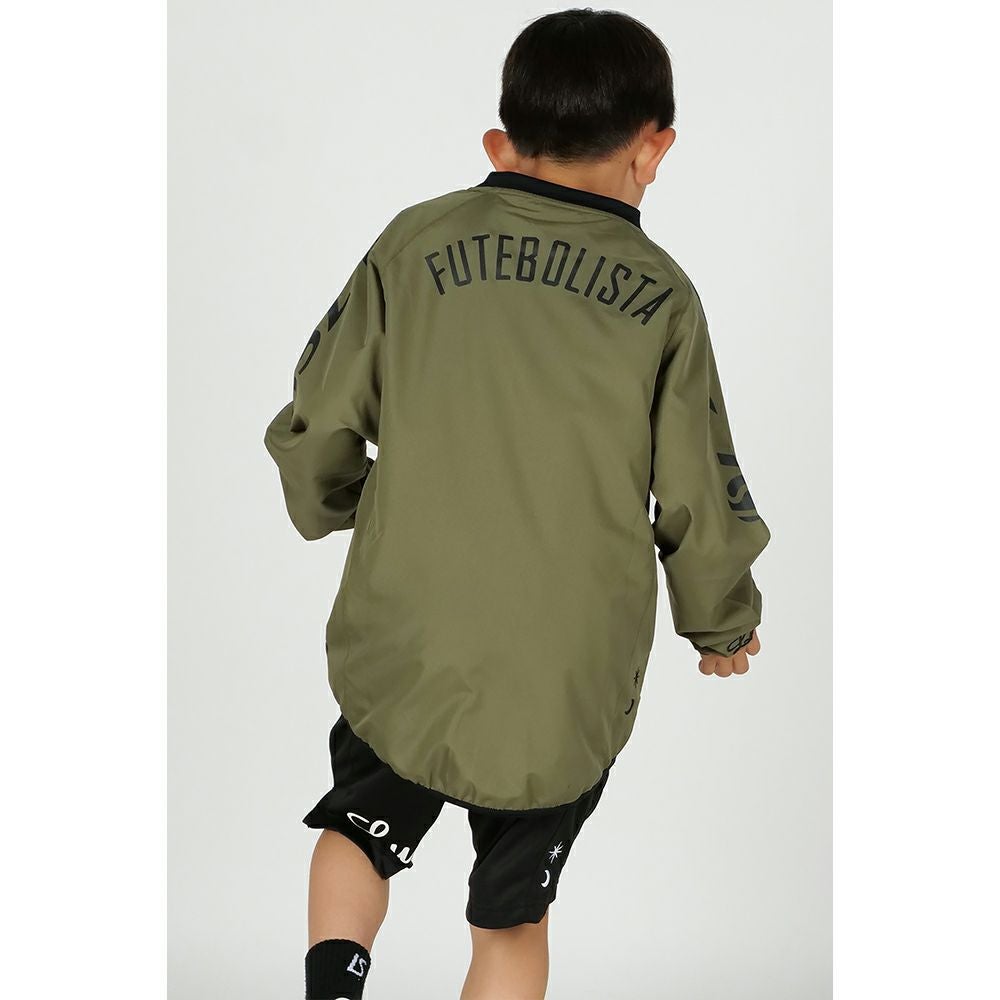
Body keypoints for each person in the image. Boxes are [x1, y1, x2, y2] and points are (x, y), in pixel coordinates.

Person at [263, 8, 770, 999]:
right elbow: (699, 488)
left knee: (356, 833)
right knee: (512, 918)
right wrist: (721, 620)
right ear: (653, 149)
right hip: (562, 674)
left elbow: (319, 417)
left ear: (499, 145)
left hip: (408, 636)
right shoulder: (663, 295)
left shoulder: (414, 244)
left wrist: (337, 500)